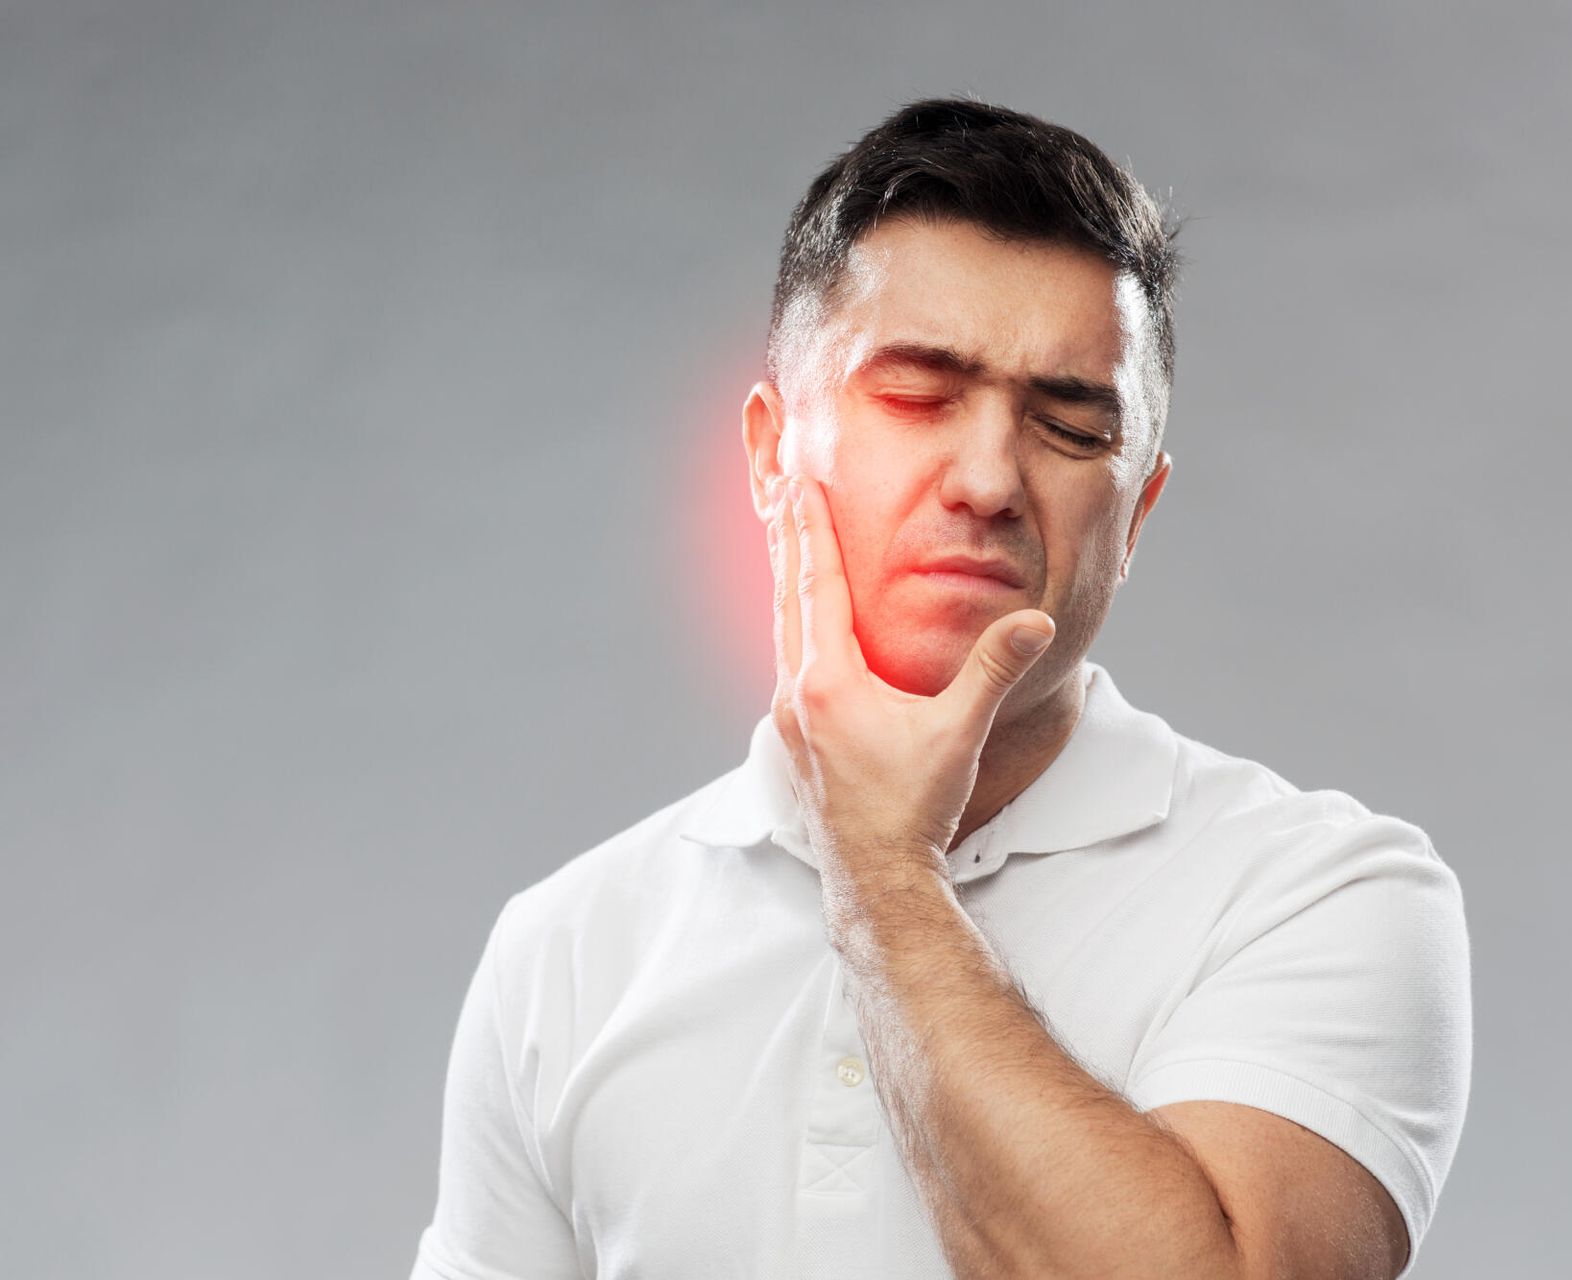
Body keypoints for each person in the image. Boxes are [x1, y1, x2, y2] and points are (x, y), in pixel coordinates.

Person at [410, 97, 1471, 1280]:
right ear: (770, 457)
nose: (986, 479)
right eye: (916, 396)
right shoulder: (567, 949)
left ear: (1140, 517)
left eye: (1068, 426)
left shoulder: (1321, 893)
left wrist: (882, 868)